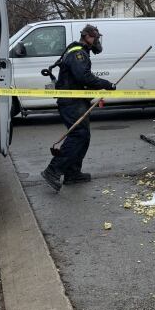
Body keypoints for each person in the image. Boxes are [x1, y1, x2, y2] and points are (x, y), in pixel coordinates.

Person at [41, 24, 114, 192]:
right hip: (71, 102)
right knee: (78, 135)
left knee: (83, 136)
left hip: (77, 100)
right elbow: (84, 77)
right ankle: (52, 170)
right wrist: (105, 84)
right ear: (88, 36)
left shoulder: (80, 51)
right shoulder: (77, 53)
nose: (97, 41)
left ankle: (72, 173)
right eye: (96, 38)